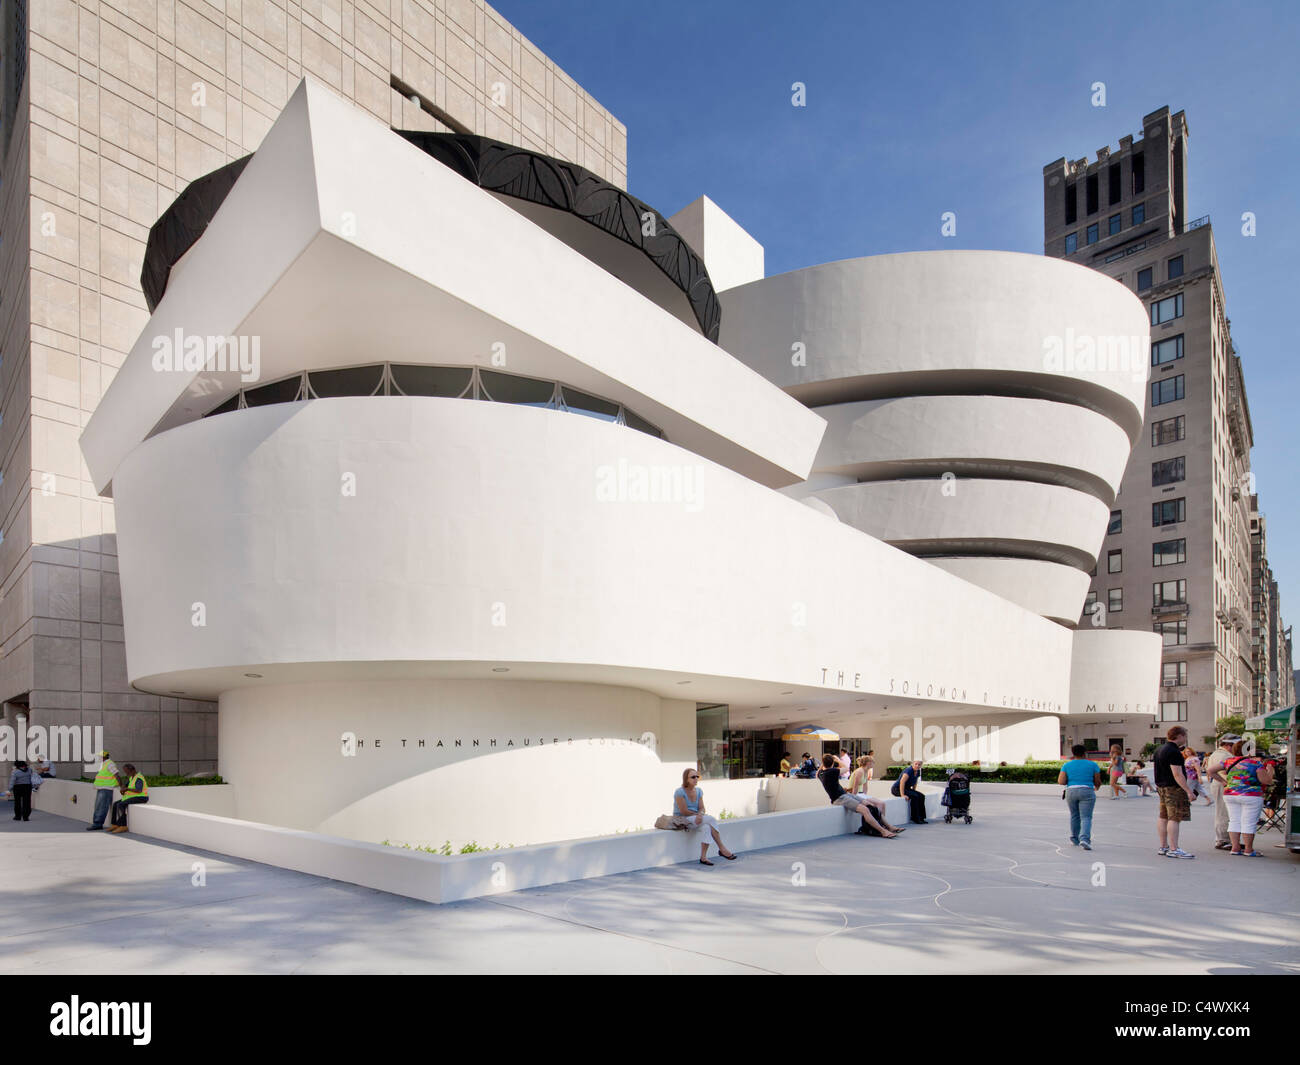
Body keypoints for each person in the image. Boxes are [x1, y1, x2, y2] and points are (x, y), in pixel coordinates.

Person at [818, 754, 901, 837]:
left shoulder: (821, 774)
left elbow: (819, 771)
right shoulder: (832, 772)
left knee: (871, 805)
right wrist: (838, 760)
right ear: (832, 763)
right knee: (865, 810)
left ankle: (889, 827)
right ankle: (883, 831)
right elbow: (846, 768)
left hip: (845, 794)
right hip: (839, 798)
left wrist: (825, 762)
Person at [672, 769, 737, 865]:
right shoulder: (679, 792)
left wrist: (700, 814)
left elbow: (702, 808)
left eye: (697, 776)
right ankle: (722, 848)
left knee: (707, 828)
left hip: (695, 819)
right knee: (711, 819)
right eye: (693, 777)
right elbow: (683, 811)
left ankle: (703, 857)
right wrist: (698, 815)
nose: (696, 779)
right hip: (683, 820)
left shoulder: (699, 791)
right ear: (686, 779)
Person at [1221, 741, 1275, 857]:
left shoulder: (1228, 761)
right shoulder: (1255, 763)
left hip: (1230, 794)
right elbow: (1266, 781)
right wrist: (1270, 771)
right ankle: (1248, 850)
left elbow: (1210, 770)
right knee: (1249, 822)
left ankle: (1235, 848)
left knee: (1234, 820)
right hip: (1251, 795)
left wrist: (1223, 781)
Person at [1154, 726, 1195, 858]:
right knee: (1174, 818)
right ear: (1179, 736)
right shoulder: (1174, 752)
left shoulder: (1159, 749)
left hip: (1161, 787)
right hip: (1174, 788)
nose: (1186, 739)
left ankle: (1163, 846)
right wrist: (1188, 791)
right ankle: (1174, 848)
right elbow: (1177, 774)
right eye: (1185, 736)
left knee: (1163, 816)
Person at [1058, 744, 1102, 849]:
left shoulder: (1067, 765)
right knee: (1086, 817)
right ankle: (1085, 839)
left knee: (1074, 815)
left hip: (1071, 791)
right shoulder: (1093, 765)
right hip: (1087, 790)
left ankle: (1075, 838)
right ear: (1084, 752)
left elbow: (1061, 781)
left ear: (1073, 753)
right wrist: (1096, 787)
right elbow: (1097, 781)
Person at [1203, 734, 1239, 851]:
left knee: (1225, 812)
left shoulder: (1219, 753)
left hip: (1220, 783)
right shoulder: (1223, 755)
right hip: (1222, 784)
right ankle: (1223, 839)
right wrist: (1223, 781)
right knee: (1223, 813)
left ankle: (1227, 839)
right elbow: (1220, 770)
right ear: (1229, 745)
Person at [108, 764, 149, 834]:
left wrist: (127, 789)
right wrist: (123, 790)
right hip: (132, 797)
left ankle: (123, 826)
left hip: (141, 797)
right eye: (125, 772)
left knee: (121, 805)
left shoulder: (139, 778)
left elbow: (139, 790)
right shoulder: (131, 778)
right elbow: (126, 787)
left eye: (127, 772)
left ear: (133, 770)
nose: (126, 773)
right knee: (115, 804)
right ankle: (115, 824)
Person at [88, 750, 122, 831]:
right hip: (102, 788)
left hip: (106, 788)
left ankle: (97, 824)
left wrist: (121, 786)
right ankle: (96, 823)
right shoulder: (103, 764)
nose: (98, 758)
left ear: (103, 756)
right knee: (98, 806)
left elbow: (116, 774)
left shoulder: (109, 763)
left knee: (101, 807)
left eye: (99, 756)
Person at [891, 759, 928, 824]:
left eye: (919, 764)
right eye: (916, 764)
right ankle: (915, 818)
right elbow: (902, 782)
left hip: (907, 789)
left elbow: (915, 781)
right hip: (897, 789)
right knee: (915, 796)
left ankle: (921, 817)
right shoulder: (909, 770)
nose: (917, 765)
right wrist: (902, 795)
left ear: (921, 765)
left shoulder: (918, 771)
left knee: (921, 796)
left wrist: (913, 790)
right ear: (912, 764)